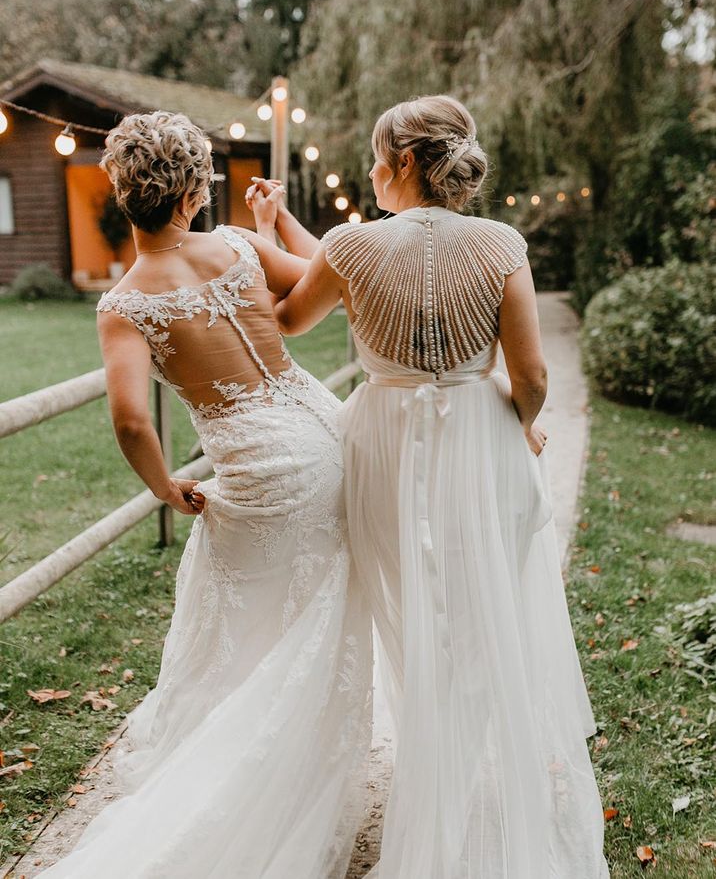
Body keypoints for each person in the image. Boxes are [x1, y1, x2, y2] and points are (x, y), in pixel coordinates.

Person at [249, 94, 610, 878]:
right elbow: (534, 375)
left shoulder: (352, 248)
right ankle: (462, 750)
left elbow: (294, 310)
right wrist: (518, 422)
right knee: (482, 603)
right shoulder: (501, 243)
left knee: (404, 599)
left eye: (378, 157)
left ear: (405, 162)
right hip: (482, 436)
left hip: (381, 440)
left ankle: (429, 747)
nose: (371, 170)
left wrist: (262, 237)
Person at [35, 110, 372, 879]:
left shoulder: (124, 305)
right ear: (192, 192)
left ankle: (251, 787)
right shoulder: (239, 246)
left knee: (248, 638)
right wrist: (275, 221)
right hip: (325, 435)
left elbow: (128, 419)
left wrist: (166, 486)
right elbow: (332, 276)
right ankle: (301, 778)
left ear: (123, 196)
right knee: (315, 618)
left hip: (258, 471)